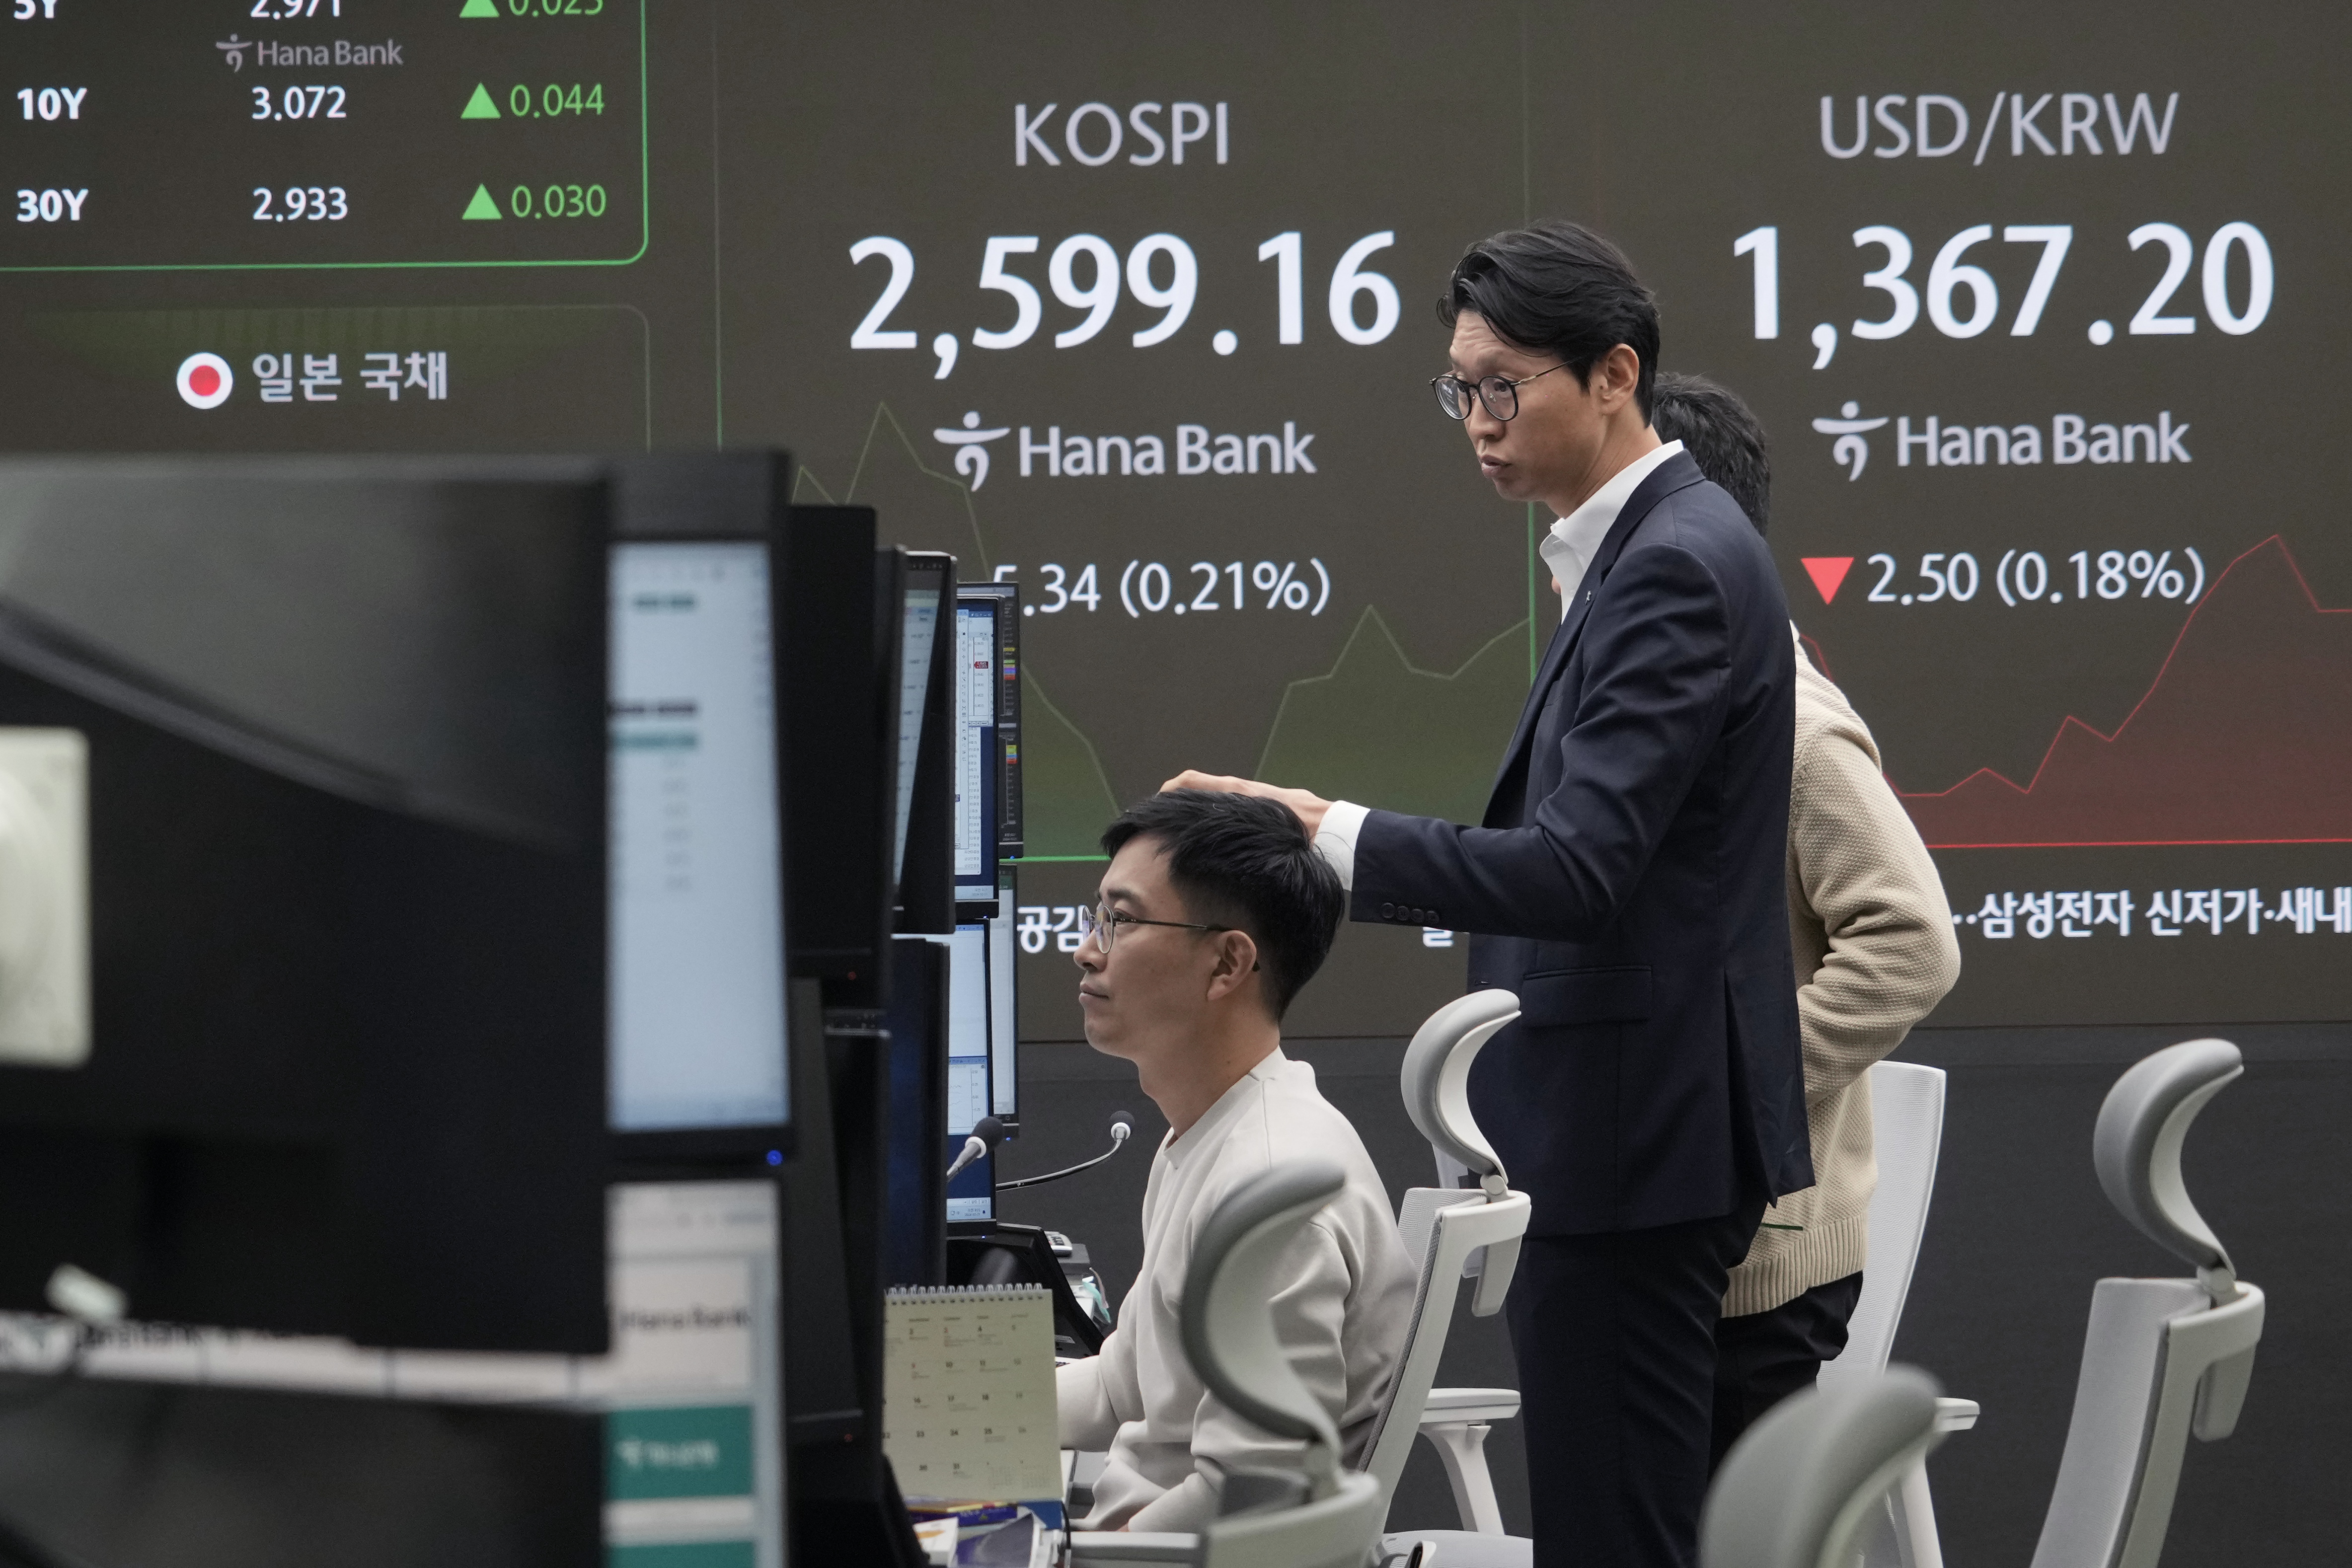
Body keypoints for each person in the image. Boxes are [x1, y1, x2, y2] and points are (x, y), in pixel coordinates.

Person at [1169, 222, 1810, 1568]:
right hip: (1628, 1129)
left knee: (1611, 1537)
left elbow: (1579, 869)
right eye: (1459, 386)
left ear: (1616, 373)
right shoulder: (1650, 548)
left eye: (1504, 384)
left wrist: (1318, 828)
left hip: (1633, 1140)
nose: (1475, 418)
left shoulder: (1677, 563)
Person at [1649, 372, 1961, 1463]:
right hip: (1679, 1237)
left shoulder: (1791, 726)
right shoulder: (1669, 702)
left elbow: (1913, 942)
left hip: (1754, 1271)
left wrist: (1738, 1080)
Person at [1054, 789, 1416, 1533]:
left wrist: (1086, 1553)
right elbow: (1127, 1385)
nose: (1087, 947)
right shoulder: (1211, 1132)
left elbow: (1254, 1492)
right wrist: (933, 1404)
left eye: (1119, 920)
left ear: (1228, 962)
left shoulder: (1271, 1190)